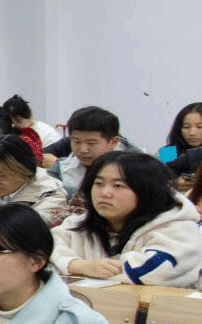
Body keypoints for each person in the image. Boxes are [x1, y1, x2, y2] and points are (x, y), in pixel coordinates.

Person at [51, 151, 202, 287]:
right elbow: (43, 253)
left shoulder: (179, 230)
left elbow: (150, 273)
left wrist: (78, 268)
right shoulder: (77, 224)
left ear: (147, 191)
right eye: (98, 183)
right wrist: (77, 265)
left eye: (118, 186)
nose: (104, 193)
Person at [48, 106, 129, 197]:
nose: (83, 150)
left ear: (113, 142)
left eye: (91, 143)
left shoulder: (133, 169)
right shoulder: (60, 169)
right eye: (76, 142)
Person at [162, 102, 202, 192]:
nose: (192, 133)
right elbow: (153, 180)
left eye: (200, 127)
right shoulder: (168, 151)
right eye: (186, 127)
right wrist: (174, 183)